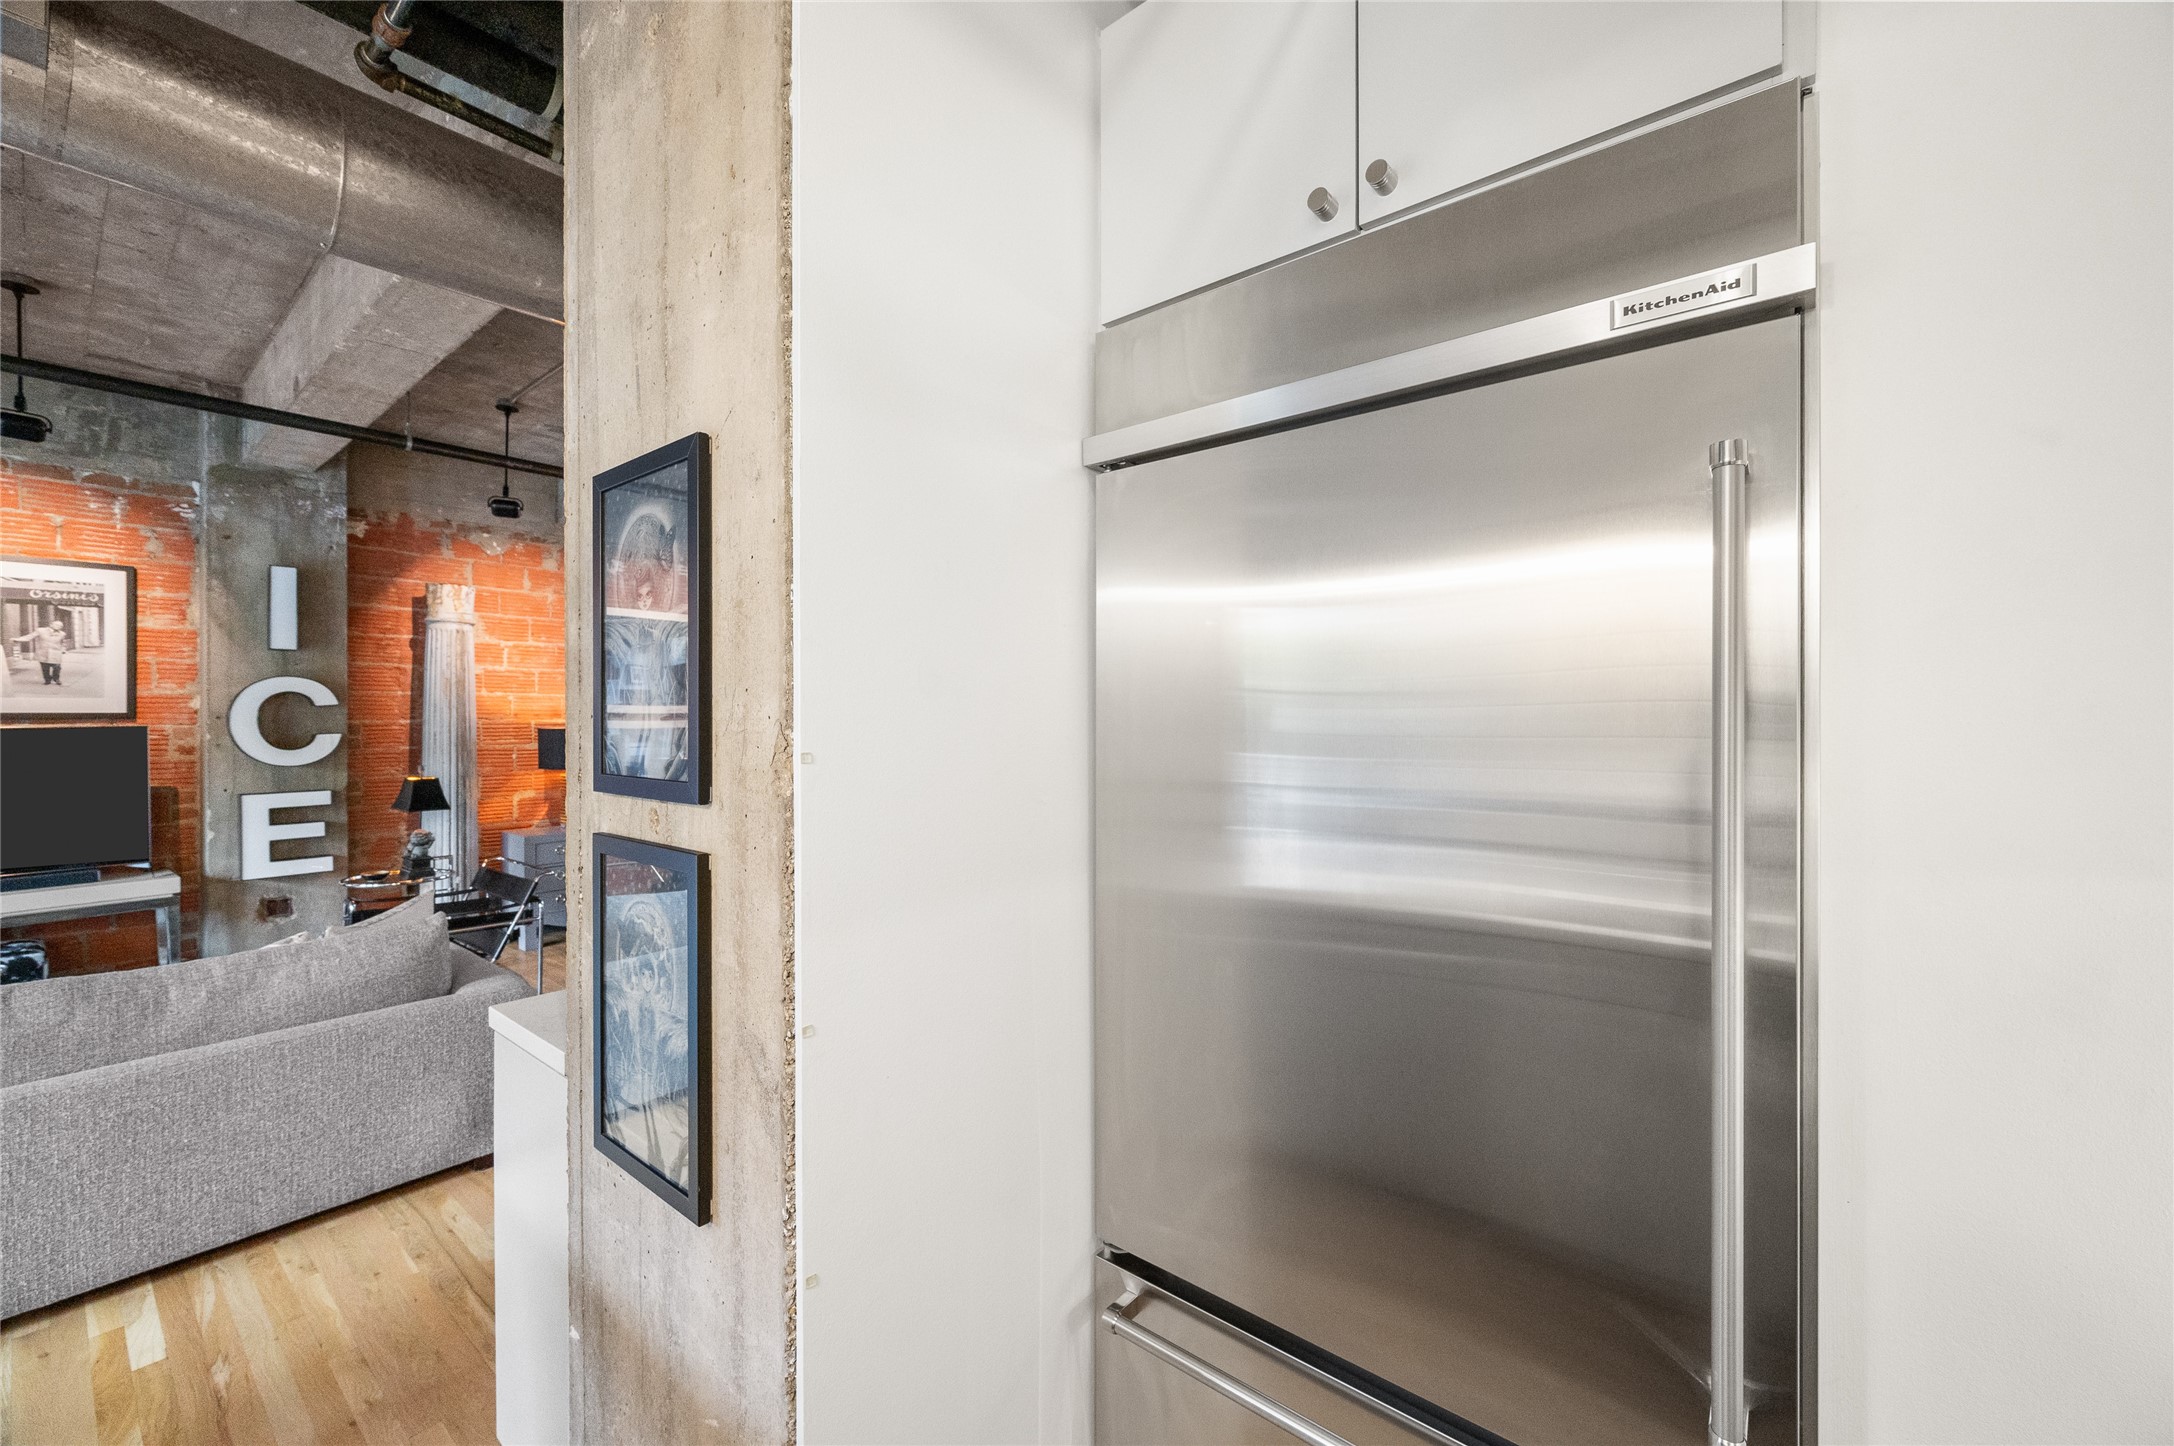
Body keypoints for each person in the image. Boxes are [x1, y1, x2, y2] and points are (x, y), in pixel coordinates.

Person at [10, 620, 68, 685]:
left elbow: (63, 643)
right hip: (43, 652)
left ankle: (56, 679)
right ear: (51, 624)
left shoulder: (62, 634)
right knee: (45, 667)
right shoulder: (40, 630)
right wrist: (18, 639)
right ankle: (47, 680)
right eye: (57, 625)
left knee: (57, 667)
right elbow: (29, 637)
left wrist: (63, 649)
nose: (59, 626)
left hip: (56, 652)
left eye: (61, 626)